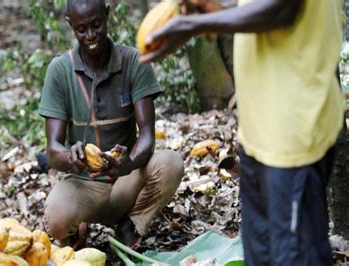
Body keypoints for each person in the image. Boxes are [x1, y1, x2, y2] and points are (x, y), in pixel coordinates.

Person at [139, 0, 345, 265]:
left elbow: (282, 9)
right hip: (258, 134)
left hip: (293, 137)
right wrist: (215, 14)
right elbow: (262, 16)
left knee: (297, 256)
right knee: (262, 255)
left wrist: (192, 25)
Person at [38, 0, 184, 249]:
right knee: (56, 217)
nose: (91, 35)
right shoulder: (60, 70)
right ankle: (75, 235)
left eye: (96, 25)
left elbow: (147, 134)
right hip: (85, 184)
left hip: (126, 178)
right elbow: (53, 149)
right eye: (81, 30)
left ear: (107, 15)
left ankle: (131, 224)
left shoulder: (133, 61)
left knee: (170, 164)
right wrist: (69, 156)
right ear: (70, 26)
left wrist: (130, 162)